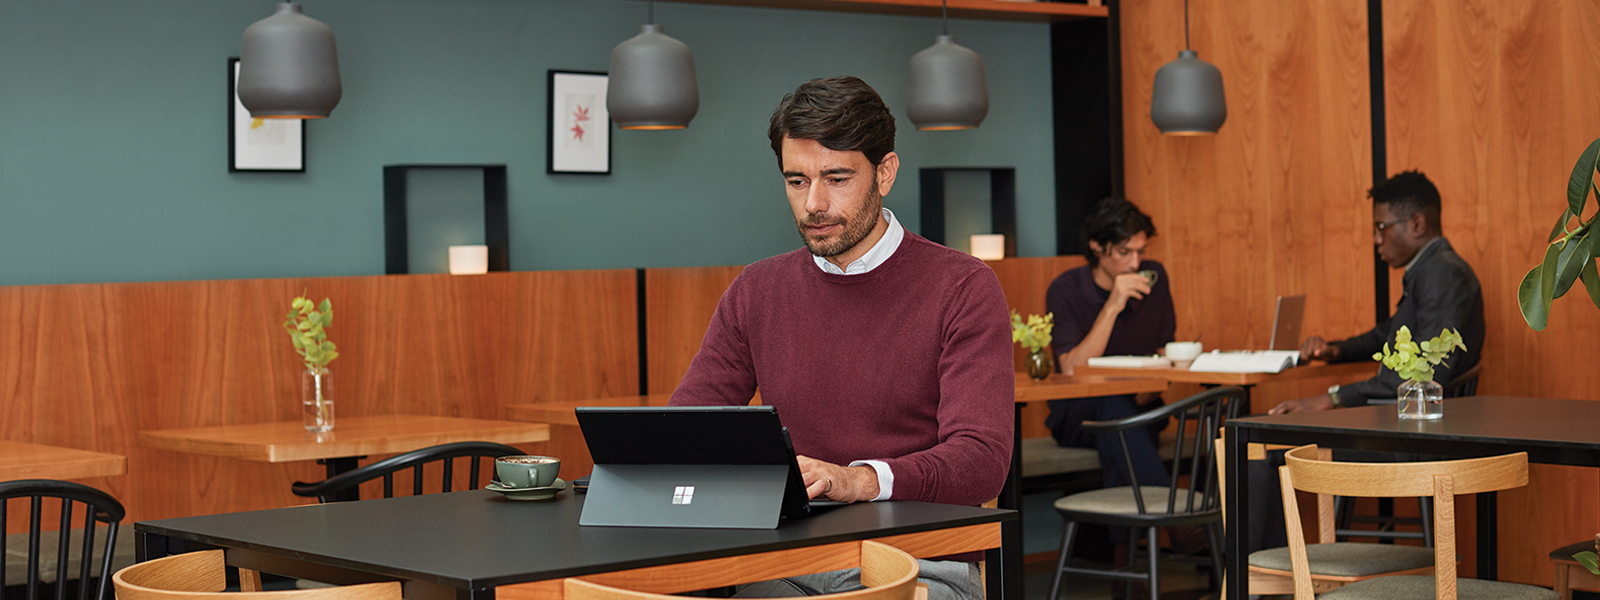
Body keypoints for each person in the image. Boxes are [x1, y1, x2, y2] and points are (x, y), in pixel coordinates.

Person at [669, 76, 1013, 600]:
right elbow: (687, 428)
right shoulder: (757, 289)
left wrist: (861, 480)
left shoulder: (962, 286)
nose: (814, 204)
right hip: (779, 560)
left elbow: (982, 460)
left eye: (836, 178)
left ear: (885, 173)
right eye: (797, 181)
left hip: (914, 564)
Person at [1269, 170, 1484, 414]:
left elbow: (1424, 374)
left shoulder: (1444, 274)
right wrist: (1336, 350)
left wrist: (1332, 399)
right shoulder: (1432, 269)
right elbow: (1388, 334)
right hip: (1400, 424)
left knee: (1262, 436)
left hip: (1410, 438)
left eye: (1381, 227)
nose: (1376, 239)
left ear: (1417, 224)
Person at [1042, 197, 1174, 491]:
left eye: (1141, 252)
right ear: (1096, 247)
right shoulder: (1066, 289)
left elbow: (1165, 354)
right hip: (1080, 415)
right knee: (1116, 411)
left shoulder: (1155, 277)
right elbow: (1072, 367)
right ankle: (1174, 522)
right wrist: (1112, 306)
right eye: (1125, 252)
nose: (1135, 263)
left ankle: (1124, 538)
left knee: (1121, 424)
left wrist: (1145, 391)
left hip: (1141, 407)